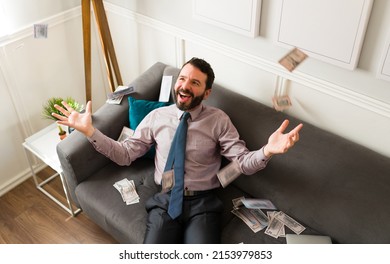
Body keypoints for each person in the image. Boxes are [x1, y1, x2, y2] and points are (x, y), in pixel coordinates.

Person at [53, 57, 303, 244]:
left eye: (194, 83)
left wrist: (267, 150)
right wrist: (89, 132)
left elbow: (242, 162)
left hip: (203, 202)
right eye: (182, 79)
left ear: (206, 92)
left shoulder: (219, 120)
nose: (185, 86)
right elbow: (125, 154)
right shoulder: (156, 117)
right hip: (164, 199)